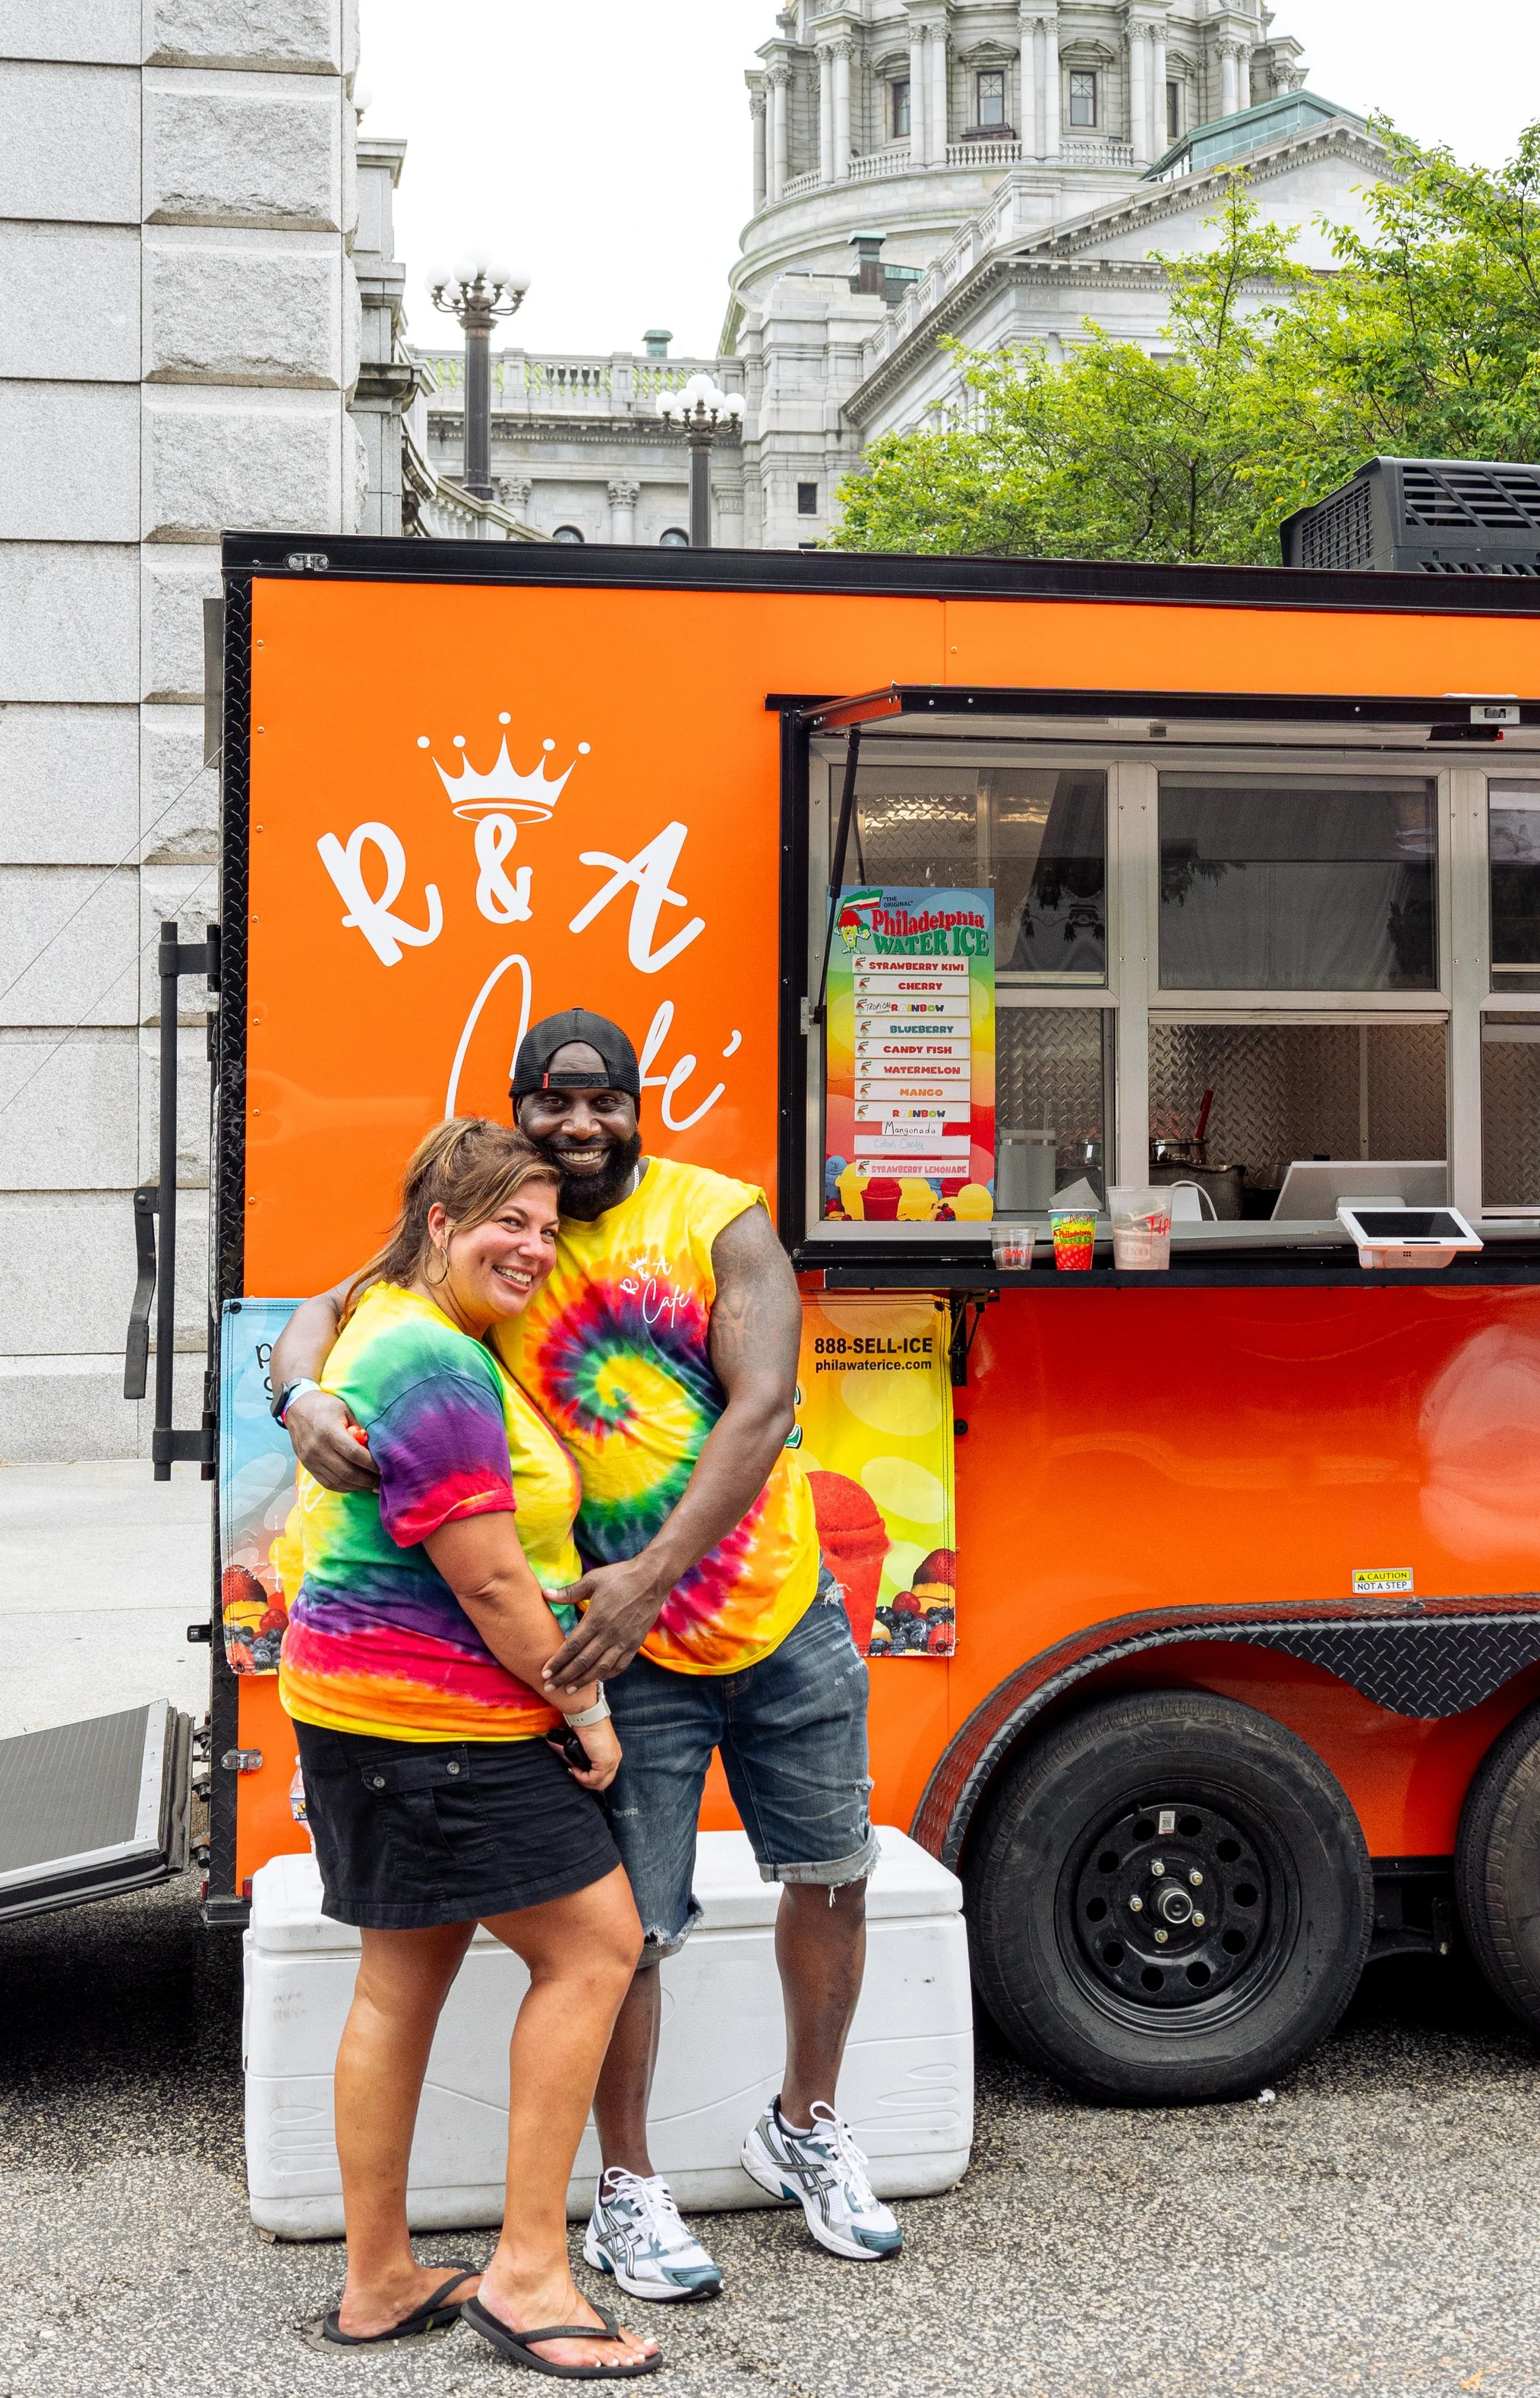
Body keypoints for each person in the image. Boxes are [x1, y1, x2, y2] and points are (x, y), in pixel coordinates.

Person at [273, 1009, 902, 2302]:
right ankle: (626, 2187)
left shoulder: (716, 1213)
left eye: (604, 1099)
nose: (580, 1124)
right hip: (617, 1660)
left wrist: (649, 1578)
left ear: (638, 1099)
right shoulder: (502, 1219)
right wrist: (298, 1400)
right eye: (553, 1104)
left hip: (777, 1614)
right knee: (636, 1927)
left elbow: (768, 1401)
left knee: (831, 1869)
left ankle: (807, 2122)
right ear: (517, 1110)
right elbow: (329, 1307)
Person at [276, 1117, 658, 2376]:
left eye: (548, 1230)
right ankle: (532, 2273)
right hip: (442, 1723)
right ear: (439, 1219)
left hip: (365, 1715)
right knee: (597, 1943)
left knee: (402, 1978)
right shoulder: (433, 1363)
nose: (535, 1249)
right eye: (511, 1222)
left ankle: (379, 2279)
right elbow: (492, 1585)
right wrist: (588, 1713)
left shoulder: (386, 1322)